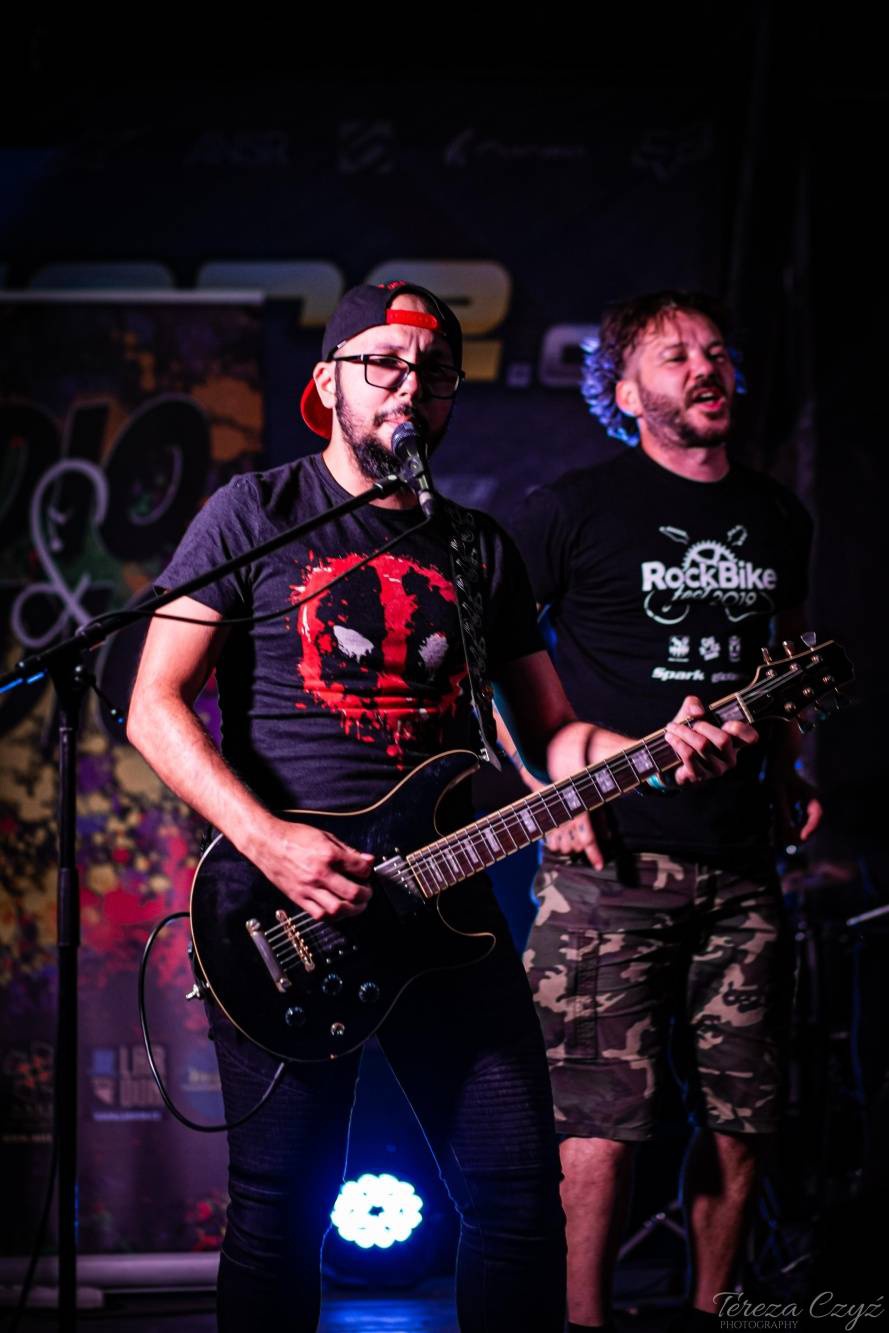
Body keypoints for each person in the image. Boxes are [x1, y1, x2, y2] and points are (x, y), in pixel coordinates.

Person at [126, 281, 755, 1333]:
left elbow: (551, 738)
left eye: (431, 373)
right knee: (277, 1217)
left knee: (518, 1206)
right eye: (383, 363)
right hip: (280, 911)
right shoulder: (253, 514)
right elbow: (154, 703)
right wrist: (269, 840)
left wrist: (655, 749)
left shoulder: (476, 548)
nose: (408, 387)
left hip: (446, 909)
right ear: (329, 382)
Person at [505, 290, 819, 1333]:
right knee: (599, 1118)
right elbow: (485, 664)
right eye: (674, 354)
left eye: (714, 350)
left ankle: (709, 1314)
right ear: (624, 390)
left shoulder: (778, 515)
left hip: (740, 864)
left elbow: (783, 669)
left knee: (744, 1110)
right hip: (610, 867)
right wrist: (545, 790)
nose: (703, 366)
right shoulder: (571, 508)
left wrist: (788, 771)